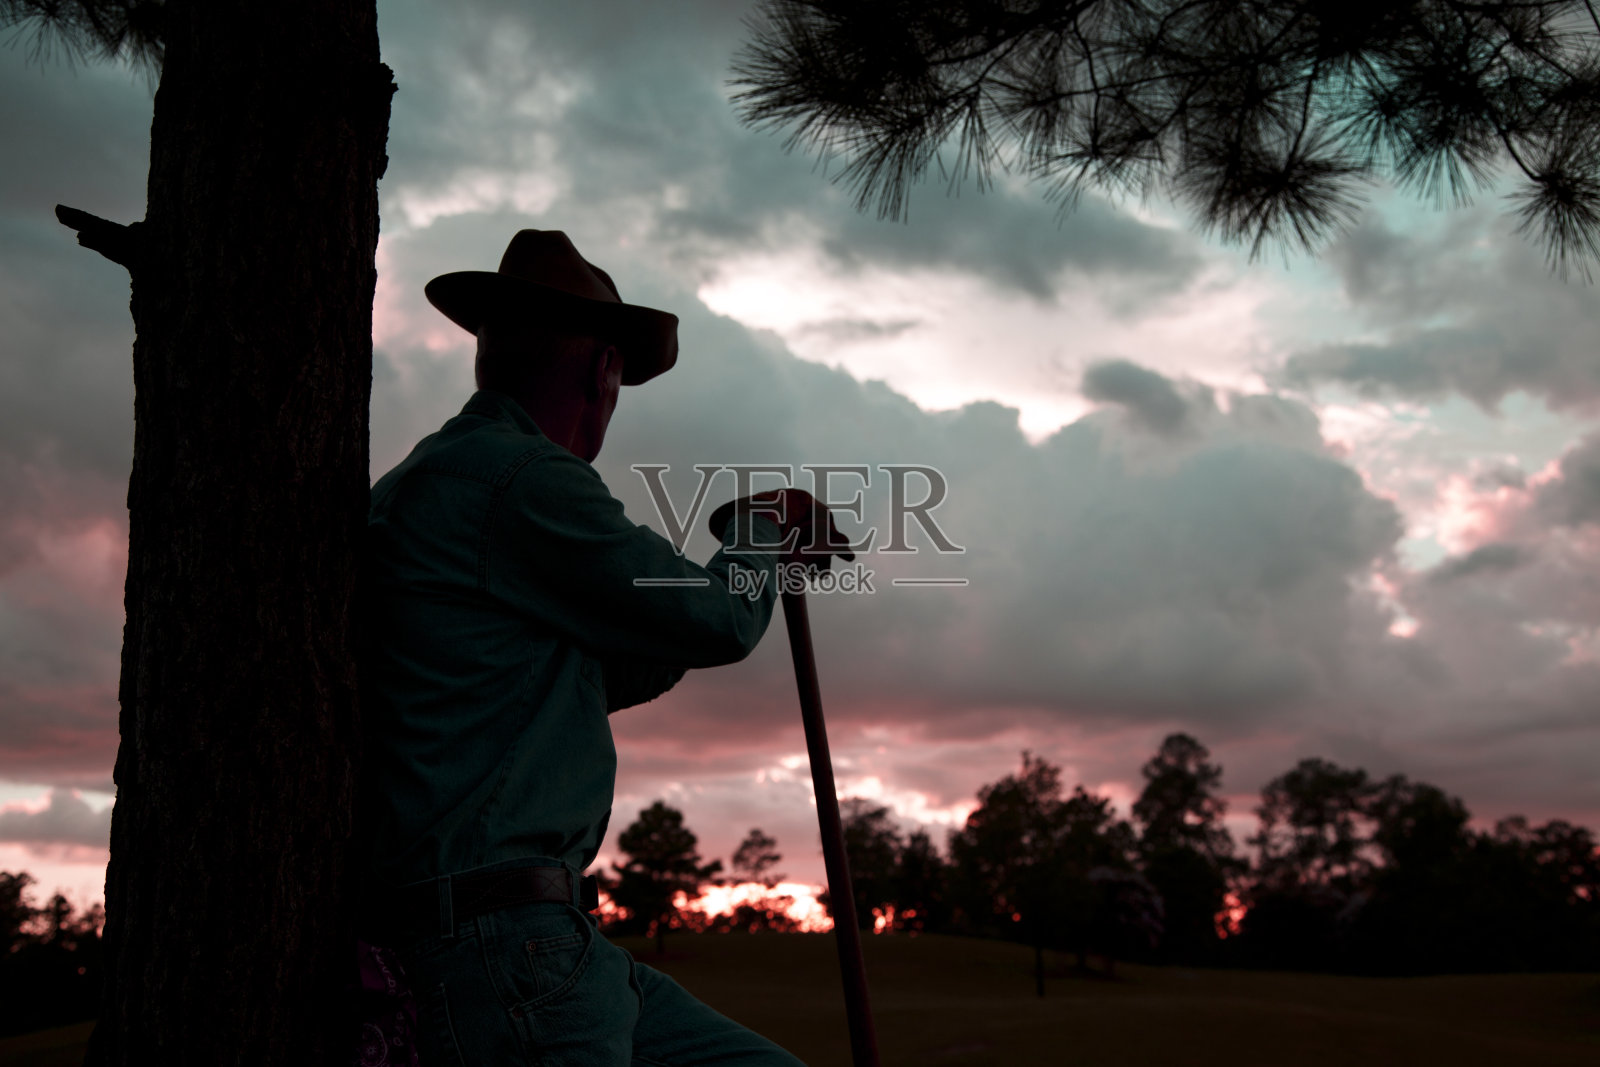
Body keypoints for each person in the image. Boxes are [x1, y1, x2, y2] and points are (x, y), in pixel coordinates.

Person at [352, 229, 851, 1066]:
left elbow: (592, 671)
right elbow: (714, 621)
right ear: (604, 371)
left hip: (530, 942)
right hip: (504, 949)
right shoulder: (518, 480)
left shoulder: (434, 485)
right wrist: (762, 530)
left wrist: (717, 579)